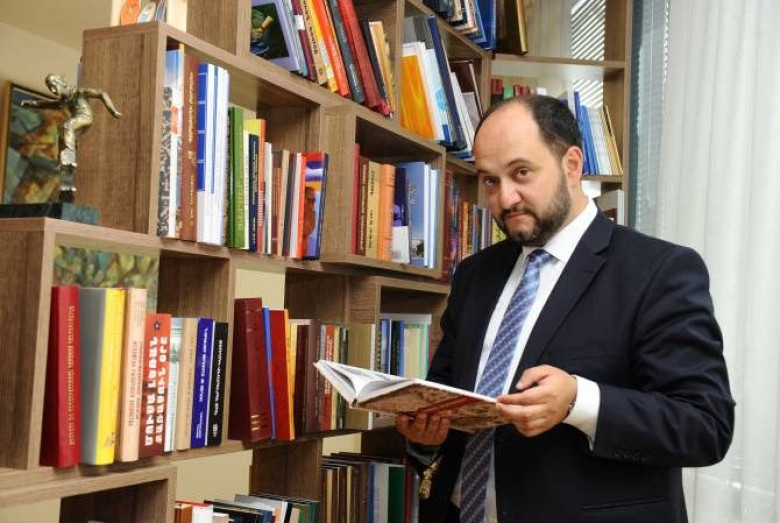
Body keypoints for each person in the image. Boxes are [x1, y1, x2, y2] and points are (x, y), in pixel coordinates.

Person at [396, 94, 735, 523]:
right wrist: (426, 435)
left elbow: (705, 426)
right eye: (490, 181)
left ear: (572, 164)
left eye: (521, 172)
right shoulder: (475, 274)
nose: (505, 198)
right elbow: (446, 392)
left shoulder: (658, 271)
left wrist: (579, 401)